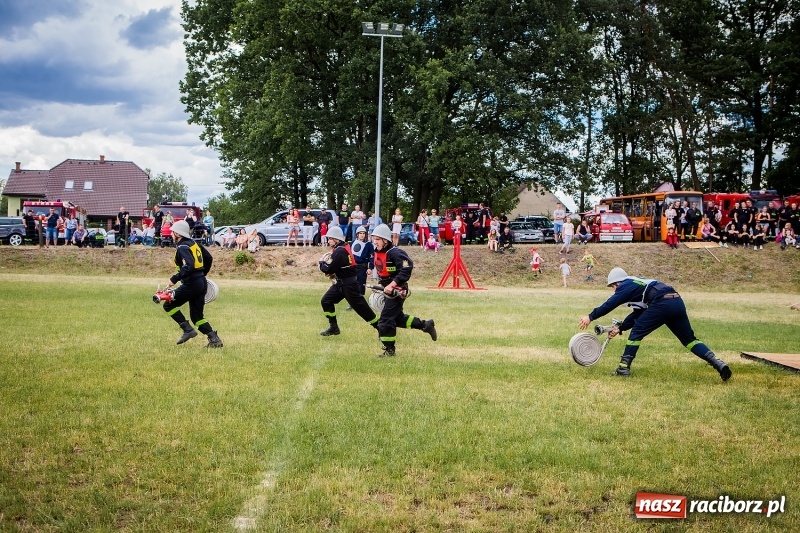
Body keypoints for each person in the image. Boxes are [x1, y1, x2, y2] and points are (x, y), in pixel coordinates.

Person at [578, 267, 731, 380]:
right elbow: (639, 313)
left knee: (637, 331)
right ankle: (717, 363)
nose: (614, 290)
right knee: (689, 340)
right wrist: (621, 327)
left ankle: (623, 368)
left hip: (661, 303)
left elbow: (610, 304)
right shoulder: (638, 283)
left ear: (617, 283)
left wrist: (591, 316)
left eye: (612, 286)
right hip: (676, 300)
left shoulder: (625, 285)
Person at [369, 224, 437, 357]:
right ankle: (425, 325)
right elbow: (383, 272)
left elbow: (407, 269)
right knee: (397, 318)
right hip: (386, 288)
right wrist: (381, 287)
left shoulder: (396, 253)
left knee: (385, 320)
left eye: (377, 239)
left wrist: (392, 285)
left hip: (397, 290)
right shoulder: (378, 252)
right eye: (374, 239)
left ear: (385, 240)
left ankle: (389, 350)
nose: (374, 242)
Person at [160, 220, 223, 348]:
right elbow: (209, 258)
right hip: (201, 283)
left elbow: (188, 266)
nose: (171, 234)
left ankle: (188, 330)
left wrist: (174, 278)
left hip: (192, 284)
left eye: (173, 232)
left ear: (178, 234)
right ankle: (214, 339)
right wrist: (202, 274)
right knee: (196, 316)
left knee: (168, 305)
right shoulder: (194, 243)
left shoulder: (182, 246)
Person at [318, 226, 379, 336]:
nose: (328, 241)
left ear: (336, 239)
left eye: (330, 239)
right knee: (326, 301)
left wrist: (322, 263)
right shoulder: (342, 248)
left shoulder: (340, 251)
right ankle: (333, 327)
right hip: (340, 284)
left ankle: (380, 328)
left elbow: (329, 268)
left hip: (349, 285)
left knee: (362, 309)